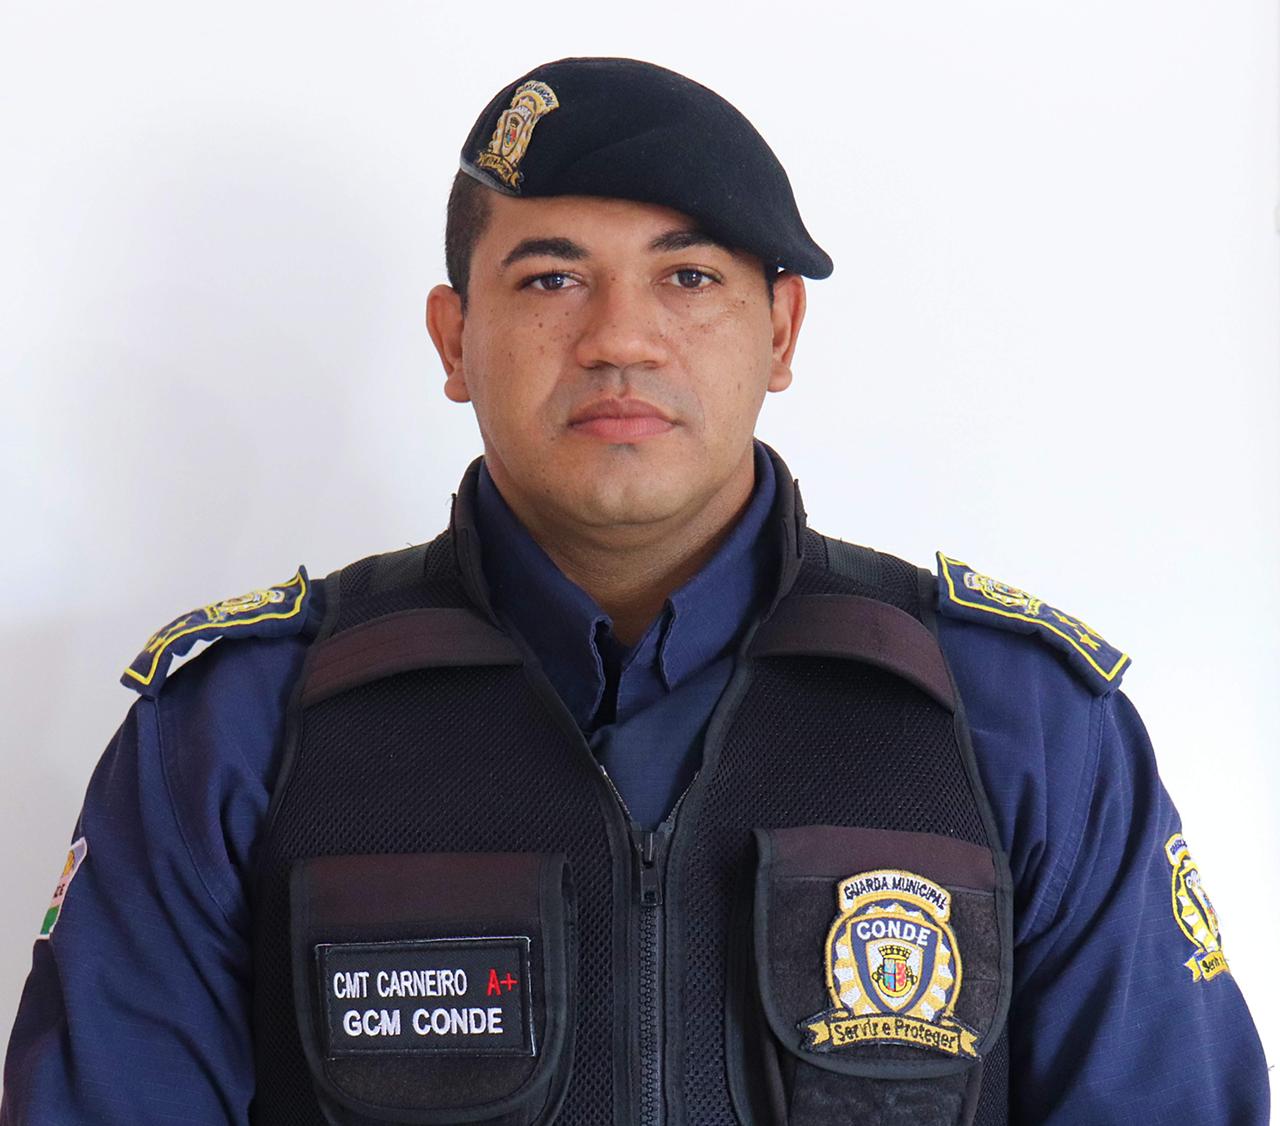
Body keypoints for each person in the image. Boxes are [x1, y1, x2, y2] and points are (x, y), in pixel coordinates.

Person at [1, 56, 1268, 1126]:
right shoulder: (233, 732)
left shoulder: (1014, 722)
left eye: (688, 276)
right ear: (453, 338)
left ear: (781, 331)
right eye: (549, 279)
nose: (617, 337)